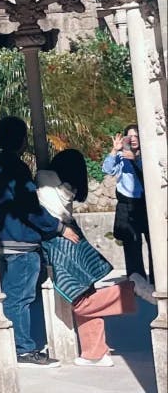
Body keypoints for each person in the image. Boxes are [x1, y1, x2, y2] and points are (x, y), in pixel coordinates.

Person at [36, 149, 156, 366]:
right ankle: (95, 351)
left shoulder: (45, 179)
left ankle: (130, 287)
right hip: (73, 235)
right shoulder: (70, 189)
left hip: (60, 241)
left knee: (80, 301)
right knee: (86, 291)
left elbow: (39, 213)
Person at [0, 116, 80, 368]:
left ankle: (17, 345)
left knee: (13, 294)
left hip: (2, 238)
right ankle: (23, 349)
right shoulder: (15, 169)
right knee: (20, 296)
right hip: (21, 241)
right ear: (21, 141)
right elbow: (29, 207)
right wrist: (58, 227)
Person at [103, 125, 153, 286]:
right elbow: (107, 169)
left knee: (155, 244)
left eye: (136, 136)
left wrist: (135, 159)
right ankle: (136, 283)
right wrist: (114, 151)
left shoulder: (148, 155)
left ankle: (158, 279)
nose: (133, 139)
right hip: (127, 204)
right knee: (131, 245)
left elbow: (151, 174)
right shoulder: (120, 157)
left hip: (148, 204)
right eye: (129, 136)